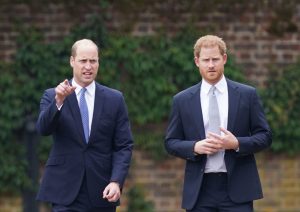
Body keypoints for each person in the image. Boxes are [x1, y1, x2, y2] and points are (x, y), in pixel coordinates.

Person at [165, 35, 272, 212]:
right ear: (197, 61)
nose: (211, 65)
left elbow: (265, 136)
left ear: (224, 59)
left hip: (238, 187)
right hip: (199, 190)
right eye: (206, 60)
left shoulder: (247, 95)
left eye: (215, 59)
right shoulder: (182, 100)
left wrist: (237, 143)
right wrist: (195, 147)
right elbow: (170, 143)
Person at [36, 39, 133, 212]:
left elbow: (124, 145)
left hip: (102, 190)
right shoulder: (53, 95)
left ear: (98, 62)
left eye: (93, 61)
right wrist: (59, 102)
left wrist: (116, 181)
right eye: (83, 61)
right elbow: (43, 129)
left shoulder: (114, 99)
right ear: (72, 61)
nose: (88, 66)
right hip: (64, 190)